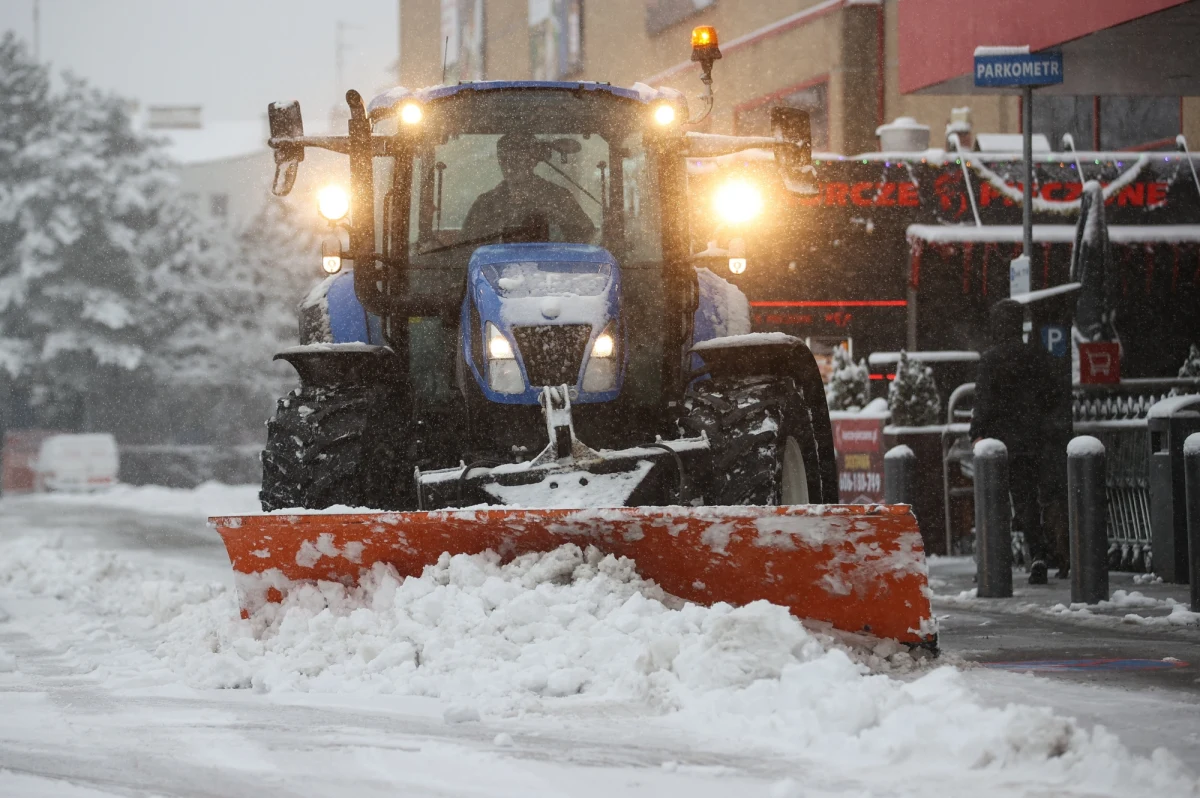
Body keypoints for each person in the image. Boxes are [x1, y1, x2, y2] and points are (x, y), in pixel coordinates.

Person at [970, 299, 1071, 584]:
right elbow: (1052, 394)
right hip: (1031, 440)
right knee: (1027, 501)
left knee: (995, 503)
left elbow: (983, 402)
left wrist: (977, 433)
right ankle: (1038, 554)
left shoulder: (991, 359)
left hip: (998, 444)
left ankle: (992, 562)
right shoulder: (1035, 356)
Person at [462, 132, 595, 245]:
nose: (509, 165)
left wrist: (557, 218)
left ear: (533, 161)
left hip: (554, 272)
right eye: (504, 159)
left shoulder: (559, 197)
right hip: (498, 272)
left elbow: (588, 238)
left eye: (517, 158)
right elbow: (464, 248)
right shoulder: (486, 204)